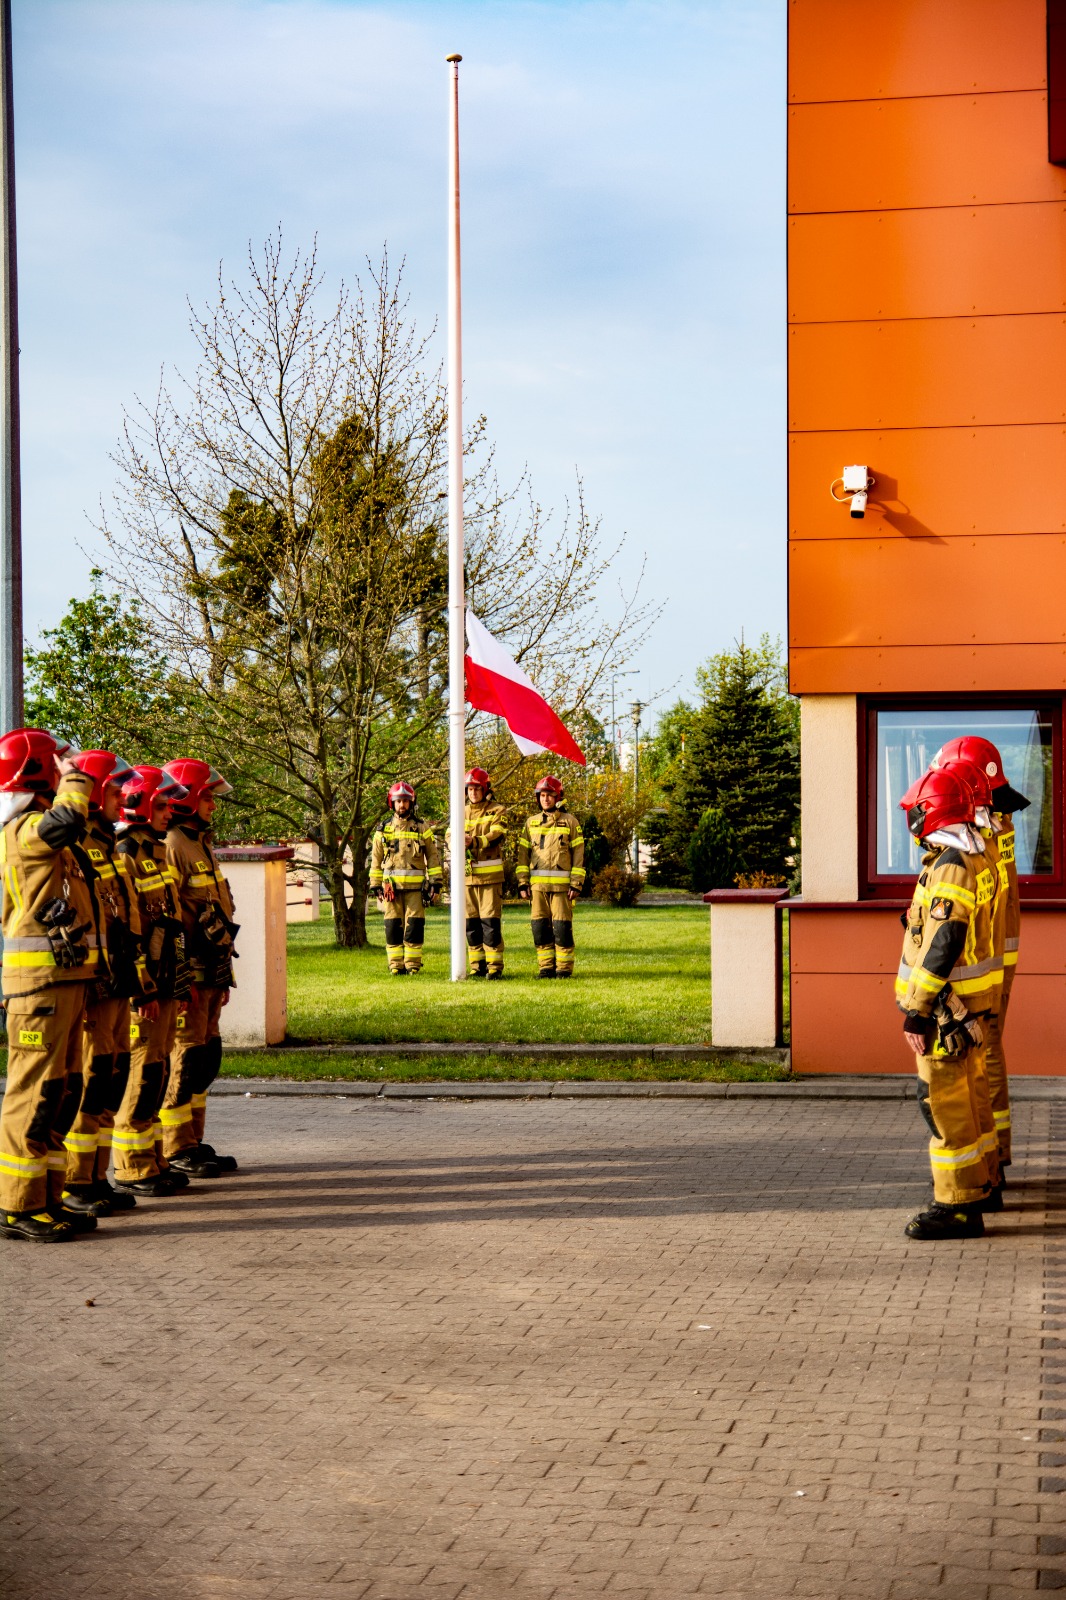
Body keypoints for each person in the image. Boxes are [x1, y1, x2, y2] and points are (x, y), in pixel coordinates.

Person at [0, 730, 101, 1240]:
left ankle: (48, 1197)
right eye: (58, 764)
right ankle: (16, 1207)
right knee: (34, 1095)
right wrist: (76, 779)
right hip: (38, 986)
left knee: (60, 1093)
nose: (67, 770)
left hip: (63, 981)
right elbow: (66, 820)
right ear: (40, 772)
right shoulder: (24, 830)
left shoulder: (47, 836)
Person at [895, 766, 1002, 1241]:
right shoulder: (971, 855)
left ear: (931, 813)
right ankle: (982, 1185)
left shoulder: (951, 864)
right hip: (968, 1004)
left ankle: (957, 1206)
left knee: (944, 1105)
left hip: (946, 1010)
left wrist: (917, 1011)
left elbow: (944, 942)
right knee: (973, 1100)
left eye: (916, 812)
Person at [930, 735, 1029, 1175]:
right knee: (990, 1053)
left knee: (978, 1061)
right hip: (994, 957)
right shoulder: (999, 821)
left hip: (976, 965)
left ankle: (986, 1165)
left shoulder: (975, 835)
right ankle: (995, 1155)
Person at [60, 749, 141, 1218]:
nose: (122, 798)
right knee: (91, 1083)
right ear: (91, 795)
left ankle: (96, 1176)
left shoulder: (106, 844)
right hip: (92, 985)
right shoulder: (77, 843)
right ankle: (76, 1180)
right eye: (113, 790)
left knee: (111, 1079)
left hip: (115, 980)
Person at [111, 766, 193, 1197]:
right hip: (146, 989)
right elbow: (129, 929)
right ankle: (132, 1166)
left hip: (165, 981)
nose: (169, 812)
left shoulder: (157, 852)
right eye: (161, 805)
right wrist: (142, 989)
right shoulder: (125, 852)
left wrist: (180, 982)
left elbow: (171, 923)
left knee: (157, 1071)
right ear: (139, 805)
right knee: (141, 1076)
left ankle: (154, 1158)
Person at [160, 760, 239, 1177]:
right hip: (190, 974)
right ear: (187, 798)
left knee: (206, 1059)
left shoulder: (200, 843)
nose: (213, 804)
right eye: (207, 796)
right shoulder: (174, 845)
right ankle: (175, 1146)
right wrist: (180, 977)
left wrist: (223, 976)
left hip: (212, 972)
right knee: (185, 1058)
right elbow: (170, 917)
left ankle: (193, 1139)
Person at [369, 782, 442, 975]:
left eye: (405, 801)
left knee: (414, 926)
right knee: (392, 926)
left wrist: (436, 882)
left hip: (416, 890)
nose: (402, 805)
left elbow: (433, 856)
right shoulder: (383, 829)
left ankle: (412, 965)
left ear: (411, 802)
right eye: (398, 801)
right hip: (391, 890)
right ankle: (395, 965)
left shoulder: (422, 827)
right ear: (392, 803)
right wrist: (375, 885)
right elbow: (375, 859)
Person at [516, 775, 585, 977]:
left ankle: (563, 969)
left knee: (562, 928)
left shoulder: (570, 822)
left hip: (562, 889)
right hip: (537, 889)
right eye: (542, 795)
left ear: (558, 797)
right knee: (540, 928)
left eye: (550, 795)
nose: (545, 799)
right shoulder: (530, 823)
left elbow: (579, 855)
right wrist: (522, 883)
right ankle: (545, 968)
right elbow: (523, 856)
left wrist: (576, 884)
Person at [459, 767, 507, 978]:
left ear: (486, 789)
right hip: (467, 879)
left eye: (477, 788)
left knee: (490, 923)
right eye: (470, 789)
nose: (473, 793)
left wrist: (474, 841)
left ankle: (494, 967)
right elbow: (450, 834)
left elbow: (497, 834)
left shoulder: (497, 810)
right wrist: (455, 841)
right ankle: (477, 966)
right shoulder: (460, 811)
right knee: (471, 925)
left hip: (490, 878)